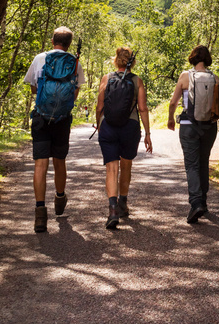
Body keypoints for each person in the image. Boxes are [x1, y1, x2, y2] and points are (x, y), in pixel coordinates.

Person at [23, 25, 85, 233]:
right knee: (60, 161)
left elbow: (33, 87)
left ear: (52, 41)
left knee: (41, 164)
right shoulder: (74, 62)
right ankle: (59, 197)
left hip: (41, 117)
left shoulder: (40, 58)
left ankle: (40, 213)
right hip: (62, 119)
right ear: (68, 44)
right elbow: (75, 93)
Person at [168, 45, 219, 224]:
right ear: (208, 59)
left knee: (192, 165)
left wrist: (171, 118)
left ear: (192, 58)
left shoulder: (185, 76)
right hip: (209, 127)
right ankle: (203, 201)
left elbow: (173, 102)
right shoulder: (215, 78)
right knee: (203, 162)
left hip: (189, 126)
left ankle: (195, 204)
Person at [95, 47, 152, 229]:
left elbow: (99, 106)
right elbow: (142, 108)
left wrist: (99, 124)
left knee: (111, 168)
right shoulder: (137, 81)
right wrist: (148, 134)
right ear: (131, 62)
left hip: (109, 127)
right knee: (126, 165)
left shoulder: (107, 78)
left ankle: (112, 211)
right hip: (130, 127)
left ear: (116, 60)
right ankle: (123, 203)